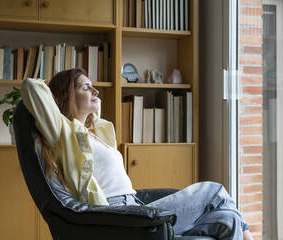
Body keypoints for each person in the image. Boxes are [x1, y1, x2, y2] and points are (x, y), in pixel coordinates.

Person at [21, 68, 253, 240]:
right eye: (84, 87)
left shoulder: (94, 134)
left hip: (136, 204)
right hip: (118, 213)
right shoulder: (62, 133)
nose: (95, 91)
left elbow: (97, 113)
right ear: (65, 95)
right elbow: (31, 87)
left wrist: (84, 94)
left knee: (228, 219)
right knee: (213, 190)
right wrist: (58, 92)